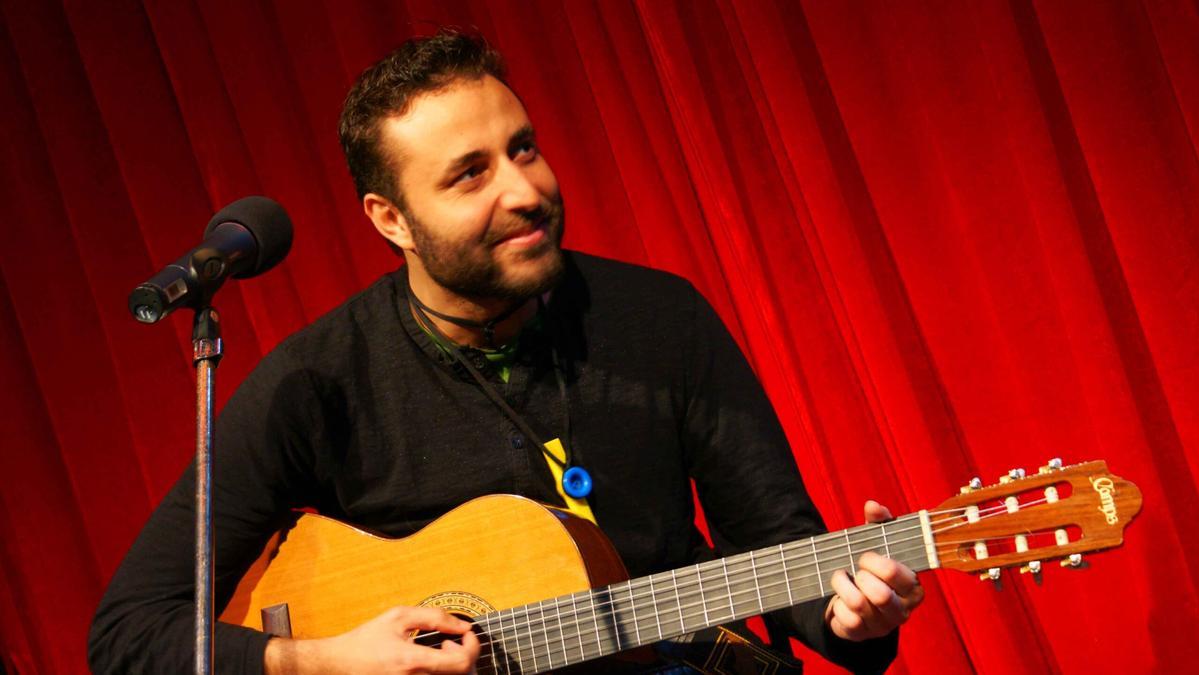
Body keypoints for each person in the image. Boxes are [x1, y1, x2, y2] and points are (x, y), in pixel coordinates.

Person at [88, 31, 923, 674]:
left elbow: (780, 546)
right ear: (390, 219)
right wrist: (323, 657)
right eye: (469, 175)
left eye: (523, 148)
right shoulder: (316, 382)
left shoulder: (660, 318)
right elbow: (129, 631)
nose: (524, 191)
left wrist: (853, 612)